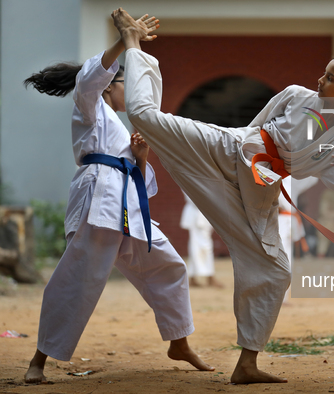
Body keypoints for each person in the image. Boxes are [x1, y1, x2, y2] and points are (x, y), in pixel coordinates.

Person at [111, 8, 334, 384]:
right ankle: (132, 43)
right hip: (231, 148)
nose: (321, 79)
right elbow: (254, 128)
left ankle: (247, 364)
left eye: (331, 78)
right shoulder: (296, 95)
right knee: (145, 117)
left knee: (276, 270)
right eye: (324, 71)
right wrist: (237, 159)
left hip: (262, 187)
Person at [22, 15, 213, 384]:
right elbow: (90, 78)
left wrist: (140, 156)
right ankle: (38, 360)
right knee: (80, 278)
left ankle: (179, 341)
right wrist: (125, 41)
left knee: (169, 266)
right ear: (111, 85)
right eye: (128, 83)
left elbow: (138, 177)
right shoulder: (90, 106)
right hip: (100, 200)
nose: (133, 92)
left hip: (127, 203)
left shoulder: (117, 124)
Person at [180, 193, 224, 288]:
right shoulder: (191, 177)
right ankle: (209, 276)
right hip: (197, 215)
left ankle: (193, 277)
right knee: (201, 247)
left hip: (202, 214)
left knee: (198, 246)